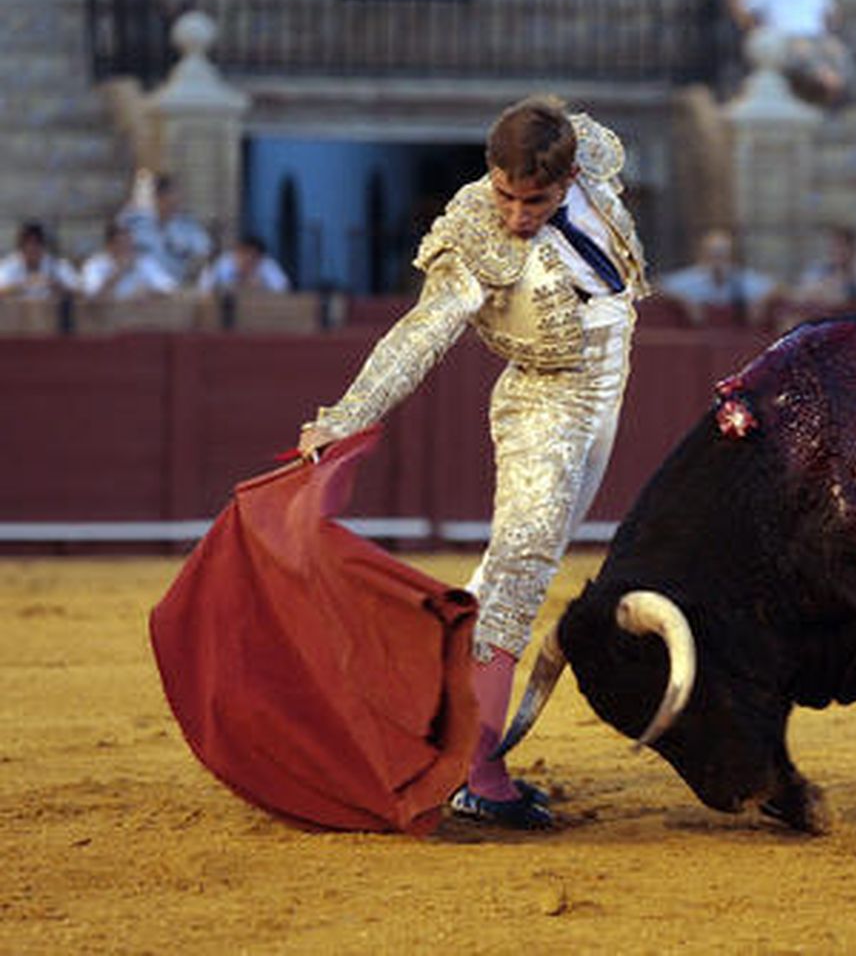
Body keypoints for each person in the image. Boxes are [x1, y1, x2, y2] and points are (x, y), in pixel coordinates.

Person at [295, 96, 648, 831]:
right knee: (517, 572)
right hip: (546, 403)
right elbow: (422, 333)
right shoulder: (472, 232)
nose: (517, 216)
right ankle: (479, 773)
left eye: (537, 200)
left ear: (569, 176)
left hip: (606, 391)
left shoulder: (589, 156)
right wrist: (348, 416)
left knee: (510, 573)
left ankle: (418, 722)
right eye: (506, 196)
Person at [738, 0, 850, 107]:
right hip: (786, 39)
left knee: (837, 51)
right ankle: (828, 87)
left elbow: (833, 14)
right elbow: (742, 10)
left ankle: (833, 85)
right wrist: (756, 28)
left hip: (817, 37)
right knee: (804, 52)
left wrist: (830, 31)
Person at [656, 228, 778, 322]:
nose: (718, 260)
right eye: (713, 254)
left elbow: (776, 287)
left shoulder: (739, 278)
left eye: (722, 254)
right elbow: (656, 286)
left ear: (731, 256)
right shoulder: (692, 278)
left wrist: (761, 302)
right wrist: (683, 301)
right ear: (702, 255)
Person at [118, 169, 215, 285]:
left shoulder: (188, 227)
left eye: (178, 195)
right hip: (137, 292)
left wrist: (193, 271)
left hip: (174, 290)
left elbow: (205, 252)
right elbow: (114, 249)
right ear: (158, 196)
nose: (177, 200)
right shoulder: (133, 222)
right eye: (172, 195)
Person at [792, 225, 856, 308]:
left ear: (853, 248)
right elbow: (801, 297)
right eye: (833, 246)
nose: (836, 251)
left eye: (842, 246)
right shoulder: (818, 272)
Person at [79, 220, 179, 300]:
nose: (126, 250)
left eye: (129, 244)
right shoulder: (95, 265)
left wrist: (151, 294)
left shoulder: (143, 262)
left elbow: (169, 287)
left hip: (138, 319)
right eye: (121, 245)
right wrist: (118, 273)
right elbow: (92, 297)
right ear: (109, 246)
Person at [0, 220, 80, 299]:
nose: (32, 247)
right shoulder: (10, 265)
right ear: (20, 245)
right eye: (27, 243)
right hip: (16, 311)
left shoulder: (58, 265)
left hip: (50, 311)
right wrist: (23, 285)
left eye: (37, 242)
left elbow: (78, 293)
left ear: (43, 245)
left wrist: (54, 285)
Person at [197, 234, 292, 294]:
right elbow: (204, 288)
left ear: (260, 258)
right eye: (244, 255)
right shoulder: (224, 262)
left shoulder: (267, 264)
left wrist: (262, 287)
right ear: (237, 252)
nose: (247, 260)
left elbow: (283, 288)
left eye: (253, 257)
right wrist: (227, 287)